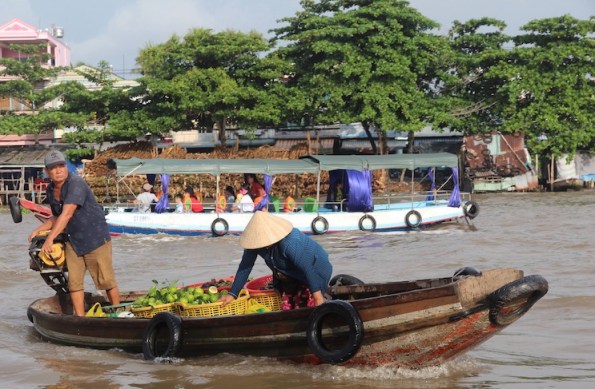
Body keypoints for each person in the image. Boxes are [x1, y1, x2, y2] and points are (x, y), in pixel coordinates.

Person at [28, 150, 120, 316]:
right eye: (53, 168)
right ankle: (80, 318)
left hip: (95, 238)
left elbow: (67, 213)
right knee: (74, 283)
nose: (58, 170)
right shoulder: (50, 189)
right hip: (73, 240)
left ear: (66, 167)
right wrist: (38, 230)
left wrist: (50, 239)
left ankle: (118, 313)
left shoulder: (75, 183)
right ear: (47, 171)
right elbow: (57, 216)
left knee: (105, 280)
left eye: (61, 166)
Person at [219, 211, 333, 307]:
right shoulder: (254, 244)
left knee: (310, 304)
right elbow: (245, 267)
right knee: (288, 306)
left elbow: (308, 268)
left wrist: (318, 298)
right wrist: (233, 294)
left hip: (316, 270)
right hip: (290, 274)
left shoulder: (289, 243)